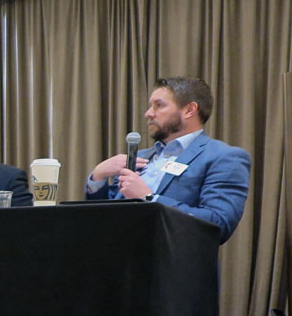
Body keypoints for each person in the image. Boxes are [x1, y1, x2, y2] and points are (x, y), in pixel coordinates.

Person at [86, 76, 250, 243]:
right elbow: (102, 220)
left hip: (172, 266)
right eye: (151, 106)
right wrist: (98, 176)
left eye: (159, 105)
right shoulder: (140, 158)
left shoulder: (224, 157)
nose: (148, 113)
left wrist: (149, 197)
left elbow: (217, 224)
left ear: (189, 110)